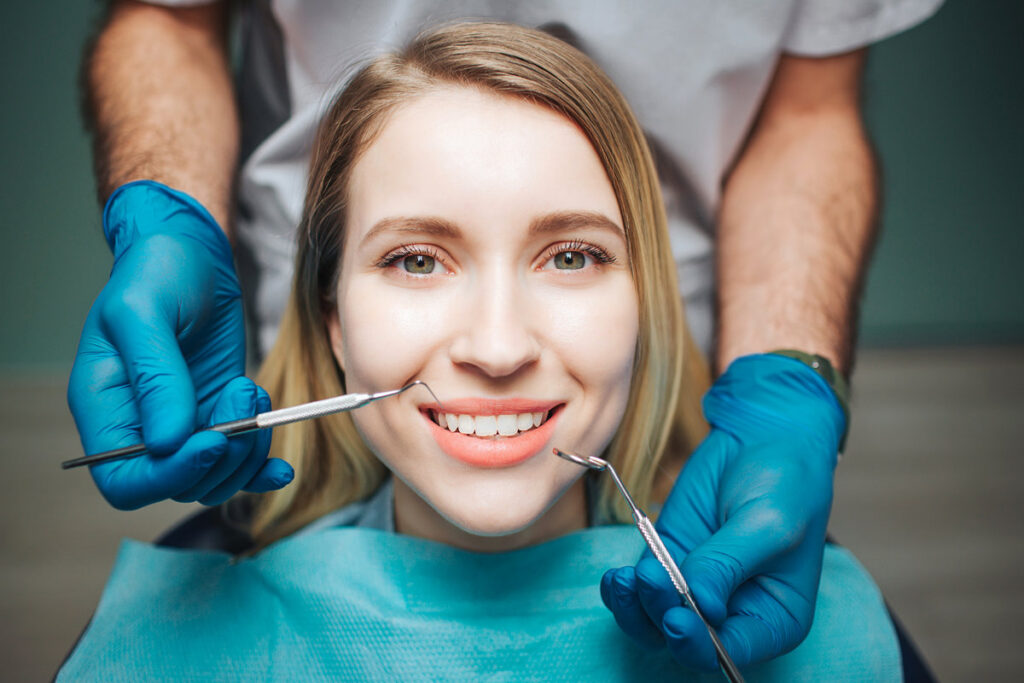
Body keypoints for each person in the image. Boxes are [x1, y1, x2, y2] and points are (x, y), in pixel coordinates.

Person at [68, 0, 943, 671]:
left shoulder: (841, 643)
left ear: (646, 298)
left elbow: (809, 113)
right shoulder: (163, 647)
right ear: (330, 311)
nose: (495, 347)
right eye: (415, 260)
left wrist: (784, 383)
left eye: (571, 255)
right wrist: (165, 218)